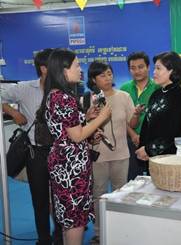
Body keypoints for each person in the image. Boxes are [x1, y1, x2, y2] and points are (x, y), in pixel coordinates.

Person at [38, 49, 111, 245]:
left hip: (64, 162)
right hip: (71, 167)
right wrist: (102, 118)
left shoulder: (54, 95)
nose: (80, 69)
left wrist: (87, 118)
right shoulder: (64, 98)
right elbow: (77, 136)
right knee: (75, 221)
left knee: (68, 219)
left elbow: (66, 129)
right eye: (77, 65)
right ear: (63, 70)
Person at [2, 48, 64, 245]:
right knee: (39, 200)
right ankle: (44, 239)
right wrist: (12, 112)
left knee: (61, 199)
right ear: (44, 68)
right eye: (57, 65)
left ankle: (61, 237)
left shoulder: (66, 89)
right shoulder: (24, 88)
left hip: (61, 153)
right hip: (35, 153)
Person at [86, 61, 138, 244]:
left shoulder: (124, 96)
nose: (108, 78)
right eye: (102, 75)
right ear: (93, 79)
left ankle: (119, 229)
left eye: (109, 74)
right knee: (98, 194)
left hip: (121, 154)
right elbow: (81, 127)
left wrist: (137, 115)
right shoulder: (88, 99)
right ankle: (99, 233)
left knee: (120, 193)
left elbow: (131, 124)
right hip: (98, 155)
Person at [135, 51, 181, 162]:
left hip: (169, 159)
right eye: (154, 68)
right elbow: (147, 125)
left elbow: (172, 132)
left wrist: (148, 149)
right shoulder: (157, 93)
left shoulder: (180, 96)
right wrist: (143, 148)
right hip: (151, 157)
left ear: (172, 70)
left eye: (158, 68)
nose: (154, 72)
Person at [120, 52, 159, 180]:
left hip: (153, 142)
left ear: (148, 67)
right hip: (130, 142)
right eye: (133, 68)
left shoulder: (158, 88)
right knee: (131, 180)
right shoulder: (124, 89)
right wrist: (133, 135)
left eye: (141, 67)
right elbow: (121, 117)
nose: (137, 71)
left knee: (156, 179)